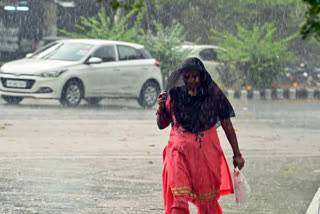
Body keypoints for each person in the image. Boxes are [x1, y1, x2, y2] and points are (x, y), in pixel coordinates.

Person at [156, 57, 245, 214]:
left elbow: (227, 125)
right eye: (187, 76)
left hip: (206, 157)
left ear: (202, 77)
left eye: (194, 76)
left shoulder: (213, 96)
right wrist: (161, 108)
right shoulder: (175, 94)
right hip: (178, 151)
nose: (190, 80)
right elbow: (162, 124)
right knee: (179, 197)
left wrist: (237, 154)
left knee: (207, 203)